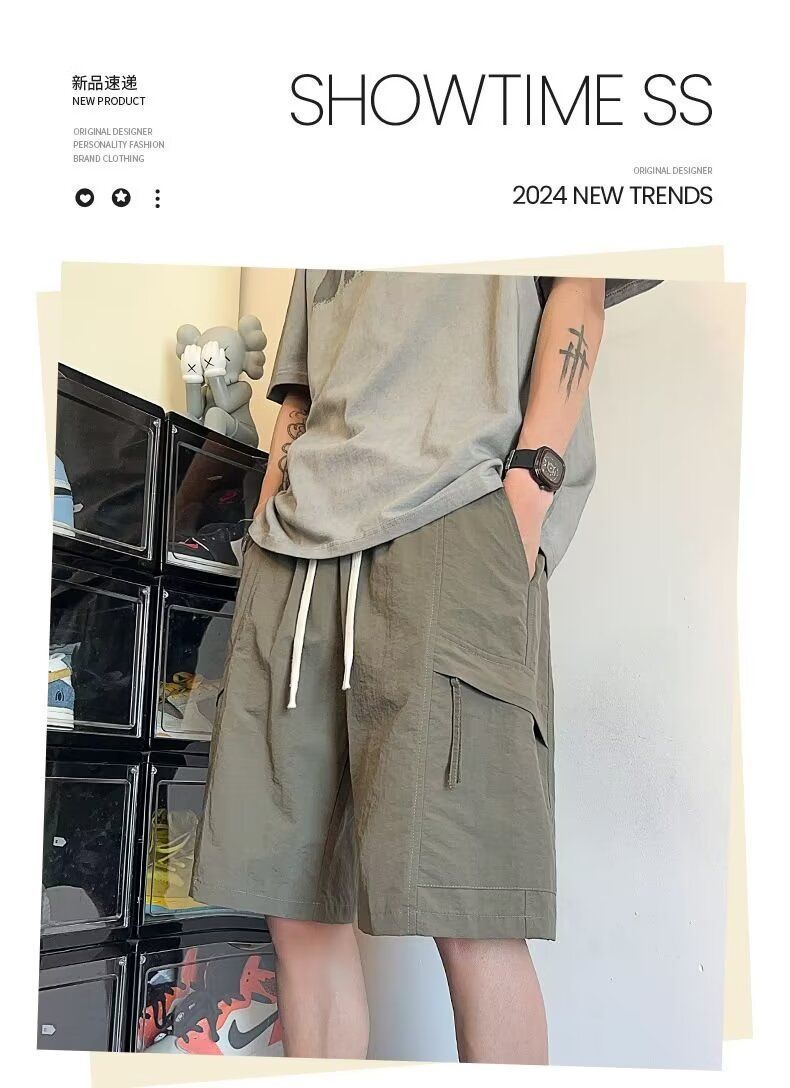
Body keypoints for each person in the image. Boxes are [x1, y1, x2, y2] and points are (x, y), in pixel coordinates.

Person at [192, 269, 659, 1064]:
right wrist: (268, 512)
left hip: (454, 508)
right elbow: (299, 388)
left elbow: (578, 284)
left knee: (470, 901)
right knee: (294, 905)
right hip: (297, 544)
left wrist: (532, 481)